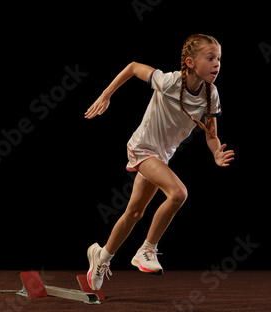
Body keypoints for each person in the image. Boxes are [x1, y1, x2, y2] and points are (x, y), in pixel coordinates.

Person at [84, 34, 234, 291]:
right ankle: (147, 249)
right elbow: (132, 67)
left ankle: (102, 257)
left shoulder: (212, 94)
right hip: (142, 148)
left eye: (219, 58)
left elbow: (211, 133)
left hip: (161, 156)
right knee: (178, 193)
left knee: (134, 213)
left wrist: (215, 152)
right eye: (210, 58)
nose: (217, 64)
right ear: (190, 62)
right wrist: (106, 95)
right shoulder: (168, 81)